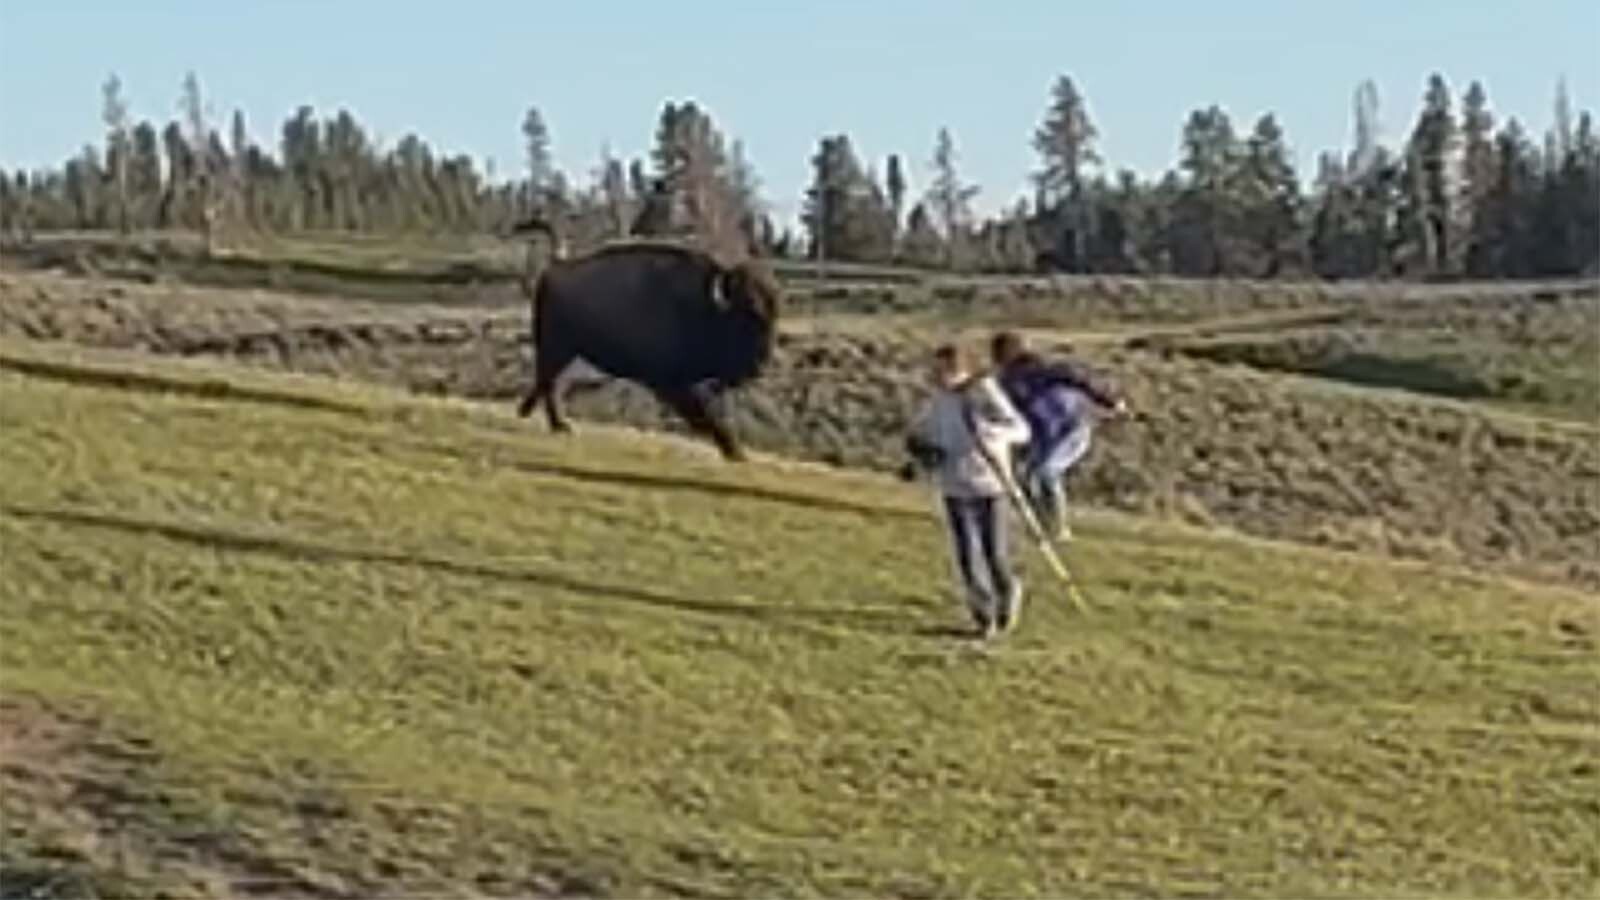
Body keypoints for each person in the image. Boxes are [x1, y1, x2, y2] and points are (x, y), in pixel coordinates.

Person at [902, 342, 1033, 638]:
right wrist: (919, 452)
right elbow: (926, 431)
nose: (937, 375)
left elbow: (1021, 430)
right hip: (954, 485)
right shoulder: (938, 400)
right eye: (935, 370)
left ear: (962, 369)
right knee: (967, 555)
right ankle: (983, 618)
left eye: (944, 370)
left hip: (990, 485)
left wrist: (991, 434)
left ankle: (1008, 595)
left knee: (995, 553)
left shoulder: (984, 393)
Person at [989, 330, 1127, 541]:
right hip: (1043, 436)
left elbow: (1078, 378)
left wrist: (1109, 401)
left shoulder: (1042, 370)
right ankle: (1038, 525)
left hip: (1071, 428)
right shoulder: (1005, 382)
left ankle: (1059, 529)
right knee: (1026, 478)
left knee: (1047, 473)